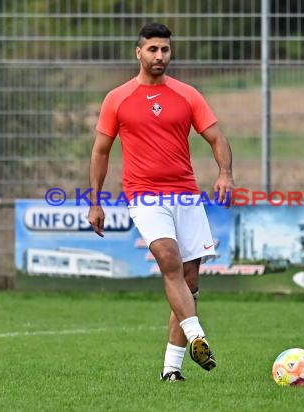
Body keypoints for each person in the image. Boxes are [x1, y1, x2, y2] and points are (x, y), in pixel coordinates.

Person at [88, 22, 234, 382]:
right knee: (168, 258)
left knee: (188, 279)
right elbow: (101, 151)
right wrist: (95, 201)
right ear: (138, 53)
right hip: (144, 195)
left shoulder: (187, 95)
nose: (159, 56)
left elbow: (216, 138)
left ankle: (171, 370)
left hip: (185, 195)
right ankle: (197, 334)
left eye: (165, 50)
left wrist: (225, 173)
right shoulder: (117, 98)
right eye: (152, 49)